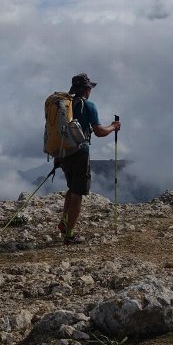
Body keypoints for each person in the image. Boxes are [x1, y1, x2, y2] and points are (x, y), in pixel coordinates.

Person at [57, 72, 120, 245]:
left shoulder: (63, 106)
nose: (90, 91)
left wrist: (57, 155)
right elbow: (99, 132)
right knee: (78, 192)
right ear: (86, 89)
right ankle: (69, 235)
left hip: (63, 153)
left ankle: (64, 221)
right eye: (89, 88)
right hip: (80, 153)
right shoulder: (89, 106)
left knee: (71, 188)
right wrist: (113, 127)